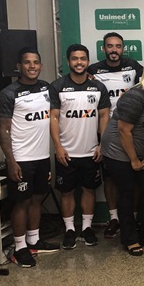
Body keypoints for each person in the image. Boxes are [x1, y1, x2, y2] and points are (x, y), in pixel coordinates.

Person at [0, 47, 60, 267]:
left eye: (36, 62)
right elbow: (3, 130)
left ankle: (34, 241)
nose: (32, 66)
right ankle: (19, 248)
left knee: (37, 199)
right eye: (27, 62)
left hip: (42, 156)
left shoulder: (46, 88)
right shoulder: (8, 93)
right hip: (21, 159)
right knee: (21, 203)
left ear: (41, 66)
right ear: (19, 66)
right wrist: (11, 160)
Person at [100, 59, 144, 256]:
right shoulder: (136, 96)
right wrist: (134, 160)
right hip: (119, 152)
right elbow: (123, 130)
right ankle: (129, 239)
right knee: (127, 194)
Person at [50, 44, 110, 250]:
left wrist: (103, 144)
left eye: (83, 59)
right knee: (66, 192)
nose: (79, 62)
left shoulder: (98, 87)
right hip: (66, 152)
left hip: (91, 151)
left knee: (89, 189)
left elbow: (104, 116)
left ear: (87, 61)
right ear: (68, 62)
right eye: (75, 59)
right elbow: (54, 117)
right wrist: (57, 146)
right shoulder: (58, 86)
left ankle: (86, 228)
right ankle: (69, 230)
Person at [87, 32, 143, 240]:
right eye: (110, 46)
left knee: (133, 177)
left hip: (130, 129)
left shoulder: (134, 67)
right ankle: (114, 218)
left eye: (118, 46)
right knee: (109, 178)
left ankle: (132, 217)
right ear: (104, 49)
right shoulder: (93, 70)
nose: (114, 50)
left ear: (123, 48)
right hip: (105, 129)